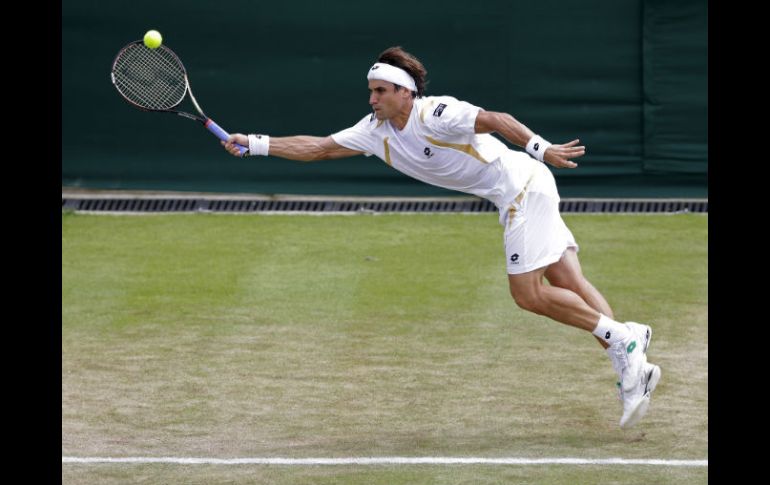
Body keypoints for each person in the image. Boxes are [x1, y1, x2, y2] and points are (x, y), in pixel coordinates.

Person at [222, 46, 661, 429]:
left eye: (381, 91)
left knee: (528, 295)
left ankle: (620, 339)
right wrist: (257, 144)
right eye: (371, 91)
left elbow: (497, 120)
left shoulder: (437, 113)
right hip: (519, 191)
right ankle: (629, 353)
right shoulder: (373, 132)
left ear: (405, 93)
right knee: (568, 281)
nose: (372, 98)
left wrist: (540, 147)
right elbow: (318, 147)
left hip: (523, 187)